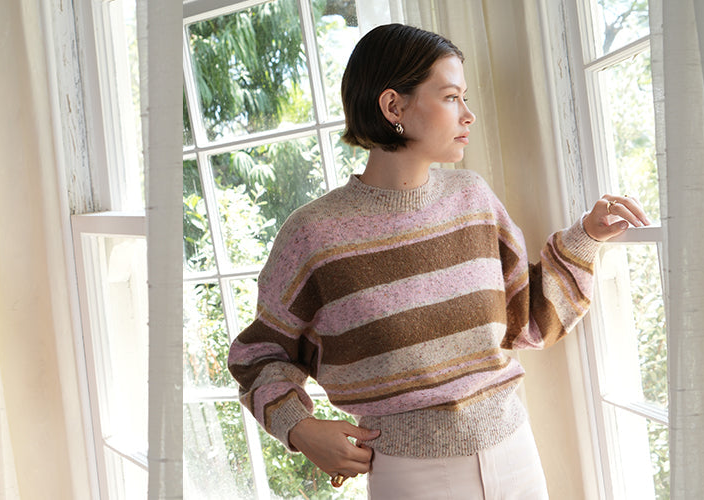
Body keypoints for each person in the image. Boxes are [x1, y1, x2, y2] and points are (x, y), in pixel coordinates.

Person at [226, 23, 649, 499]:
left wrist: (587, 236)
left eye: (464, 97)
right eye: (451, 97)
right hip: (411, 477)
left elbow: (527, 318)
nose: (468, 115)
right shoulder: (314, 234)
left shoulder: (472, 198)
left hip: (517, 460)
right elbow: (258, 355)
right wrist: (298, 429)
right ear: (393, 107)